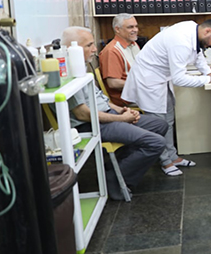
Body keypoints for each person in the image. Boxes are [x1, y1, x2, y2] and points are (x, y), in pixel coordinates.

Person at [61, 26, 166, 201]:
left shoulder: (81, 68)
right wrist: (121, 118)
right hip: (92, 124)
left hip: (108, 115)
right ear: (72, 48)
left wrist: (121, 110)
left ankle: (117, 167)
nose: (94, 49)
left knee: (159, 125)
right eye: (89, 45)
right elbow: (83, 114)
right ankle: (116, 179)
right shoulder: (69, 75)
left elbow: (100, 100)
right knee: (156, 143)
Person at [122, 19, 211, 176]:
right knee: (158, 124)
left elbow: (198, 56)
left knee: (168, 121)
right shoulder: (181, 42)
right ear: (207, 31)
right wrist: (208, 79)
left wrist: (210, 73)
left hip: (161, 79)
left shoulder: (194, 30)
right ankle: (165, 162)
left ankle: (173, 157)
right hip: (148, 81)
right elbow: (179, 79)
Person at [98, 13, 140, 106]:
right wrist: (140, 84)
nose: (135, 30)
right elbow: (113, 83)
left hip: (138, 92)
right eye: (130, 27)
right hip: (126, 99)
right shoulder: (112, 51)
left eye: (136, 26)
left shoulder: (133, 45)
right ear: (117, 29)